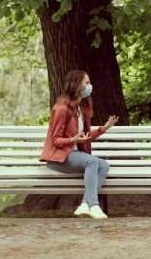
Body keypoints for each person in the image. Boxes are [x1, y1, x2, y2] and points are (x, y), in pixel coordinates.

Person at [40, 70, 119, 219]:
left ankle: (84, 205)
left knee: (104, 166)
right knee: (92, 161)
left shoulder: (82, 108)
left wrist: (104, 128)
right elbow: (55, 140)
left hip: (74, 155)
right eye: (87, 83)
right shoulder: (62, 109)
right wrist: (72, 141)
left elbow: (86, 137)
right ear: (77, 85)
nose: (90, 86)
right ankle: (94, 205)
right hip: (57, 158)